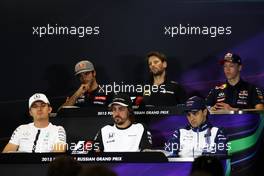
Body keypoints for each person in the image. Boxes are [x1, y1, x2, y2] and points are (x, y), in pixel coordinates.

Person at [2, 93, 66, 153]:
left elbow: (58, 155)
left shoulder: (58, 130)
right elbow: (6, 156)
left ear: (49, 109)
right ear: (30, 112)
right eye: (35, 106)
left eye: (43, 105)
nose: (39, 109)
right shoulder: (21, 129)